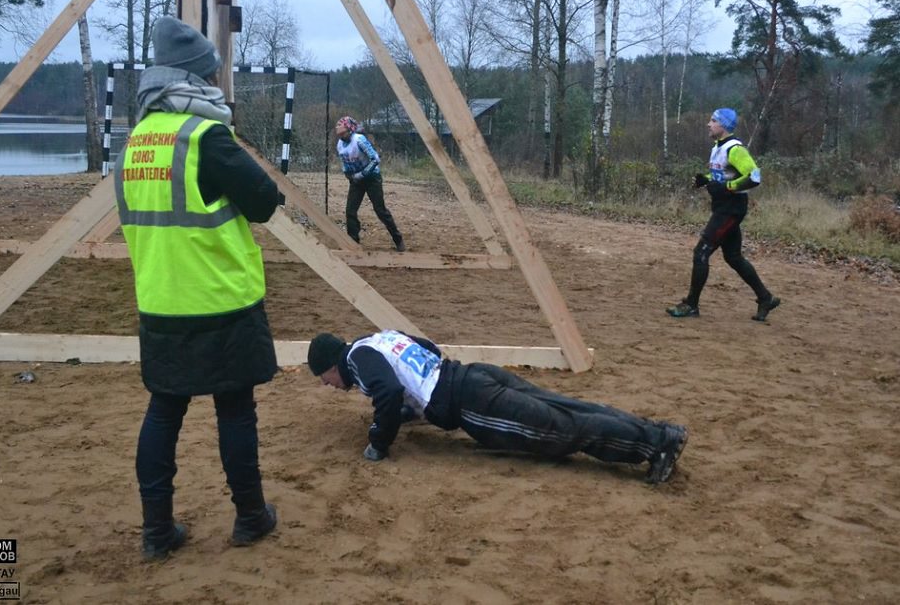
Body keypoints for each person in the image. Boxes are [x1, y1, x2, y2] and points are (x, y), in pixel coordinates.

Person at [115, 16, 279, 561]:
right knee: (235, 410)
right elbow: (263, 201)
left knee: (164, 412)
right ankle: (250, 517)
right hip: (221, 300)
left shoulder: (135, 143)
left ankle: (156, 531)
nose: (215, 82)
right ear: (194, 79)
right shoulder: (205, 137)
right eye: (210, 74)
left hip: (160, 301)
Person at [306, 329, 689, 484]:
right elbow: (426, 349)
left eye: (325, 378)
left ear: (331, 365)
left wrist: (378, 442)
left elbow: (387, 393)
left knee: (561, 430)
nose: (329, 385)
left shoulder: (356, 360)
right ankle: (658, 433)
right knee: (566, 408)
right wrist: (414, 406)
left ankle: (657, 444)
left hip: (471, 401)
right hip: (473, 375)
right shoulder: (376, 339)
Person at [667, 107, 781, 321]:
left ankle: (691, 305)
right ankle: (765, 298)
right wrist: (707, 179)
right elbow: (725, 174)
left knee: (701, 253)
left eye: (713, 120)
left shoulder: (735, 148)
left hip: (730, 209)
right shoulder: (718, 148)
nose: (708, 124)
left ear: (724, 125)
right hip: (724, 208)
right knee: (733, 257)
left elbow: (754, 177)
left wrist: (727, 187)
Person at [334, 115, 405, 251]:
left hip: (372, 178)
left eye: (343, 133)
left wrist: (362, 174)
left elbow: (375, 159)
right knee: (350, 211)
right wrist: (347, 173)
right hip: (356, 180)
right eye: (339, 134)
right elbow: (344, 161)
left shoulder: (359, 140)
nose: (341, 137)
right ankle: (353, 242)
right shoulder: (340, 144)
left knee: (380, 210)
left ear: (350, 130)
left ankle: (398, 239)